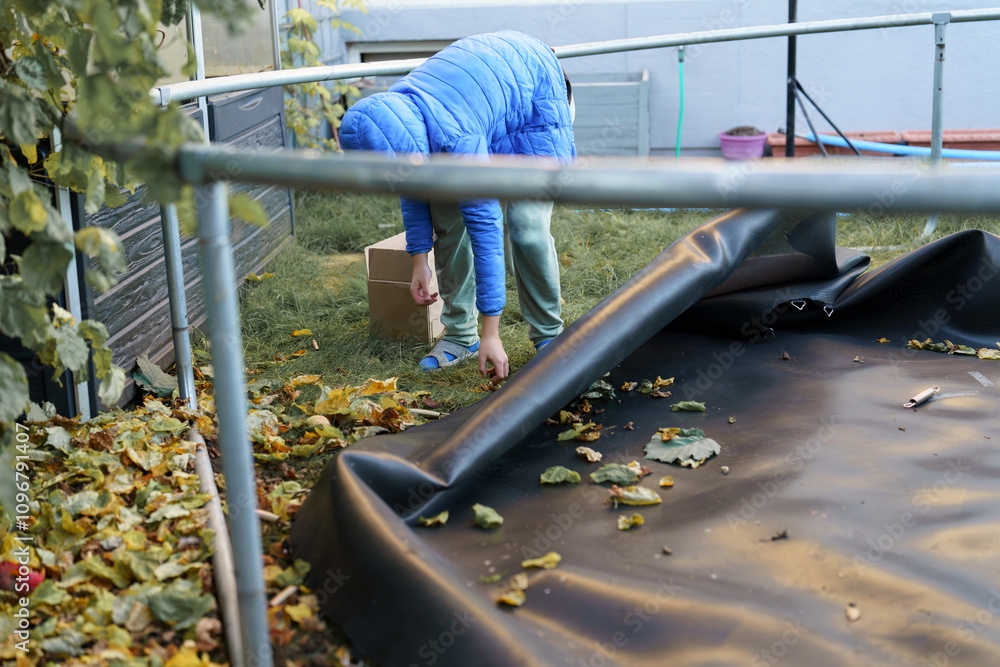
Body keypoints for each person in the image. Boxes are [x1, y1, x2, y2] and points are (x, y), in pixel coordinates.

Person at [340, 31, 576, 380]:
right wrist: (419, 261)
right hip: (483, 95)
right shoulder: (392, 115)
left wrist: (492, 334)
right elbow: (413, 185)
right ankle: (461, 336)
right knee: (447, 217)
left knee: (525, 225)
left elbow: (486, 231)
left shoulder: (455, 136)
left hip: (536, 93)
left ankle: (548, 337)